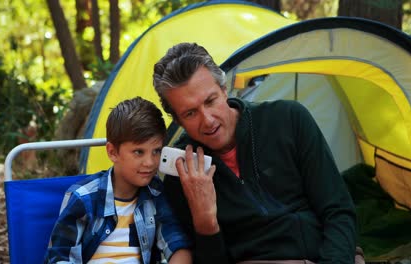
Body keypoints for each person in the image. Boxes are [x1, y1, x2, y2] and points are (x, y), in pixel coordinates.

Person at [152, 43, 358, 264]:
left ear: (224, 90)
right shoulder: (181, 173)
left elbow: (338, 211)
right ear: (177, 120)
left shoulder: (289, 119)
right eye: (190, 113)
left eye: (210, 101)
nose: (208, 120)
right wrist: (206, 221)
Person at [44, 97, 192, 264]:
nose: (150, 162)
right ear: (112, 152)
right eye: (138, 152)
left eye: (156, 151)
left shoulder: (155, 194)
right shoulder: (83, 197)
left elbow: (176, 243)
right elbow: (59, 257)